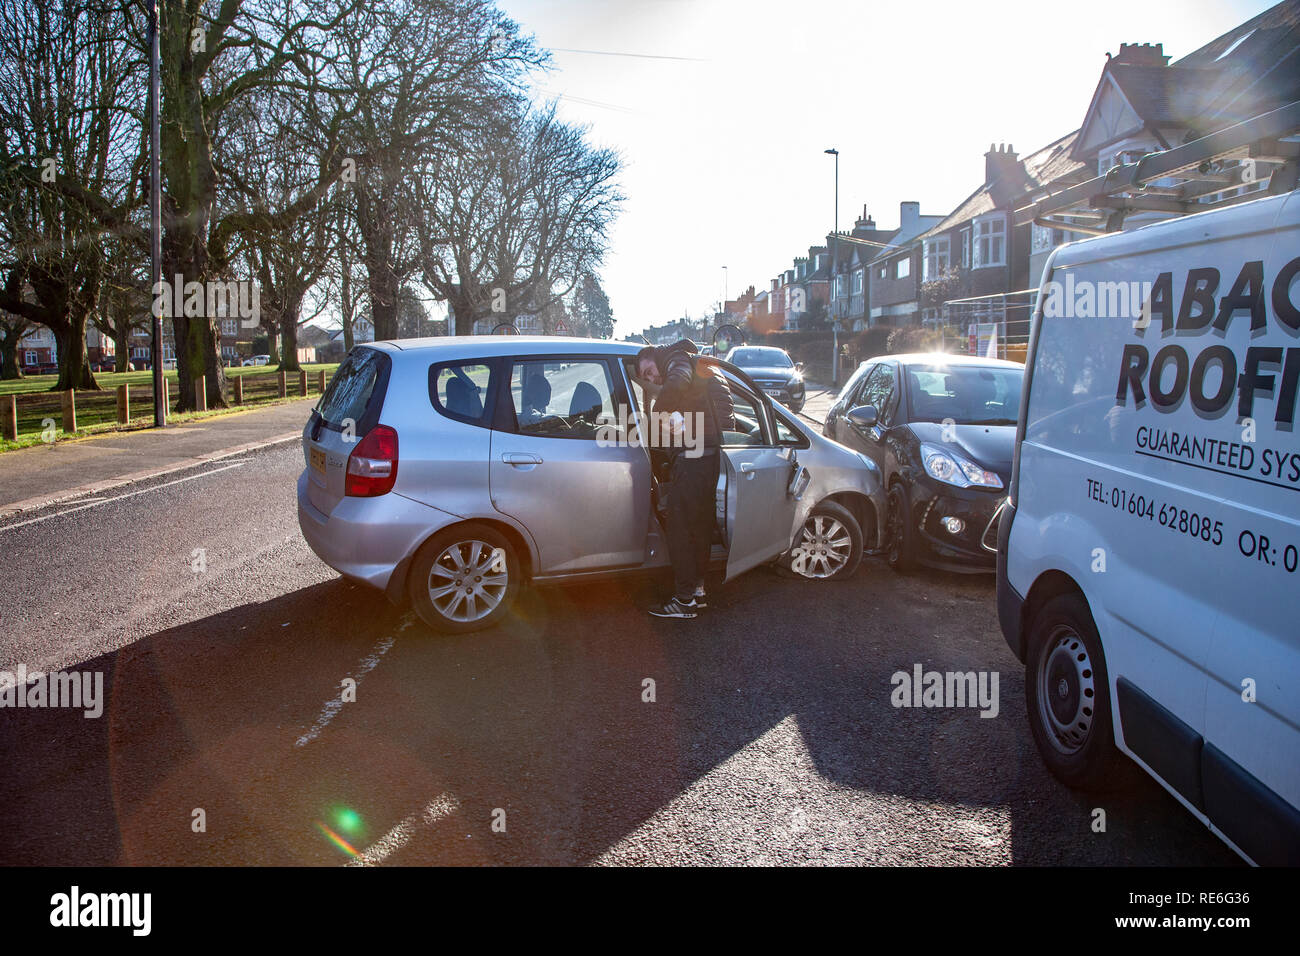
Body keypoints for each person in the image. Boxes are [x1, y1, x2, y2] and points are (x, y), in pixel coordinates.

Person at [635, 339, 734, 619]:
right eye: (645, 379)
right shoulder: (682, 359)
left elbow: (677, 382)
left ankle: (684, 600)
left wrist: (657, 414)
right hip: (705, 454)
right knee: (699, 526)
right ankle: (697, 592)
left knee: (680, 527)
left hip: (694, 457)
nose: (652, 378)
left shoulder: (674, 359)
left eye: (648, 372)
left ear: (653, 357)